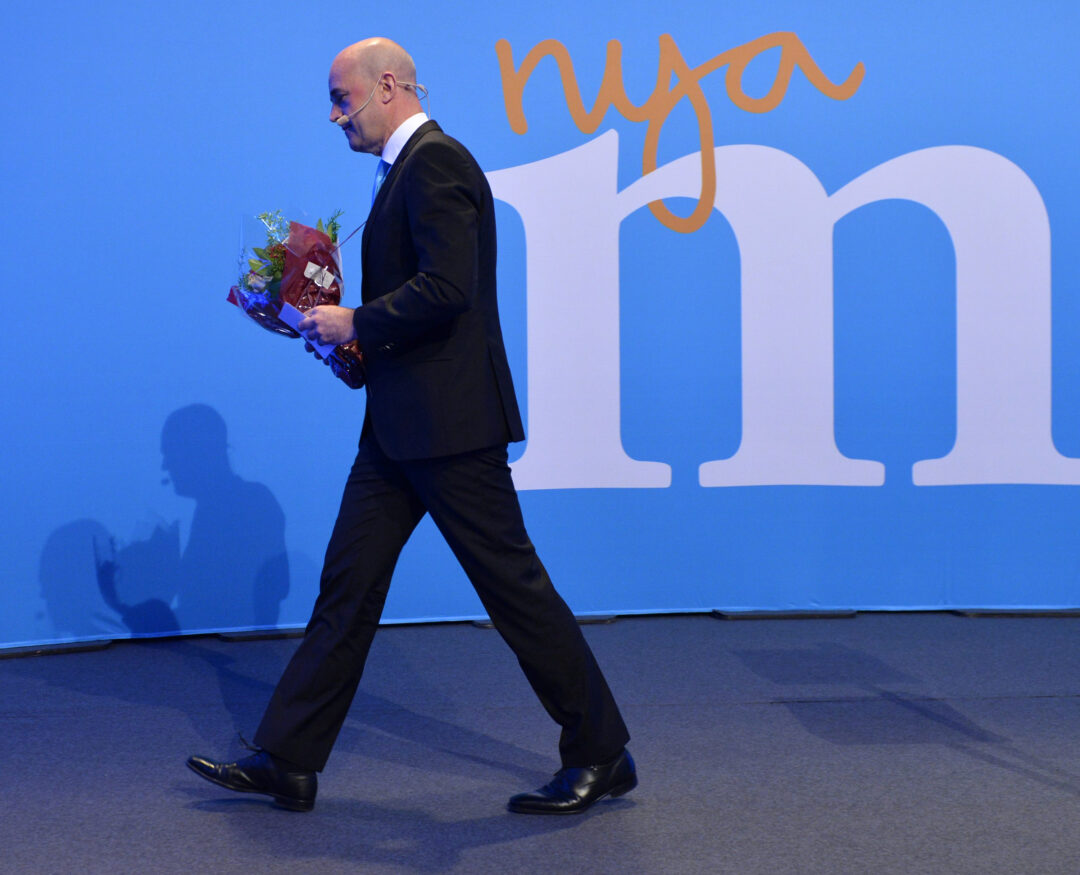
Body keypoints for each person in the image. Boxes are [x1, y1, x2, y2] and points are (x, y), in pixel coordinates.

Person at [187, 37, 635, 815]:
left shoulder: (436, 163)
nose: (334, 116)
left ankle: (601, 751)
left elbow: (449, 287)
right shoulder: (405, 170)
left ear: (387, 85)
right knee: (348, 586)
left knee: (514, 591)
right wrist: (355, 345)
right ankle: (289, 759)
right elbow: (425, 301)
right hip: (400, 427)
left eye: (341, 98)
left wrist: (357, 318)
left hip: (451, 427)